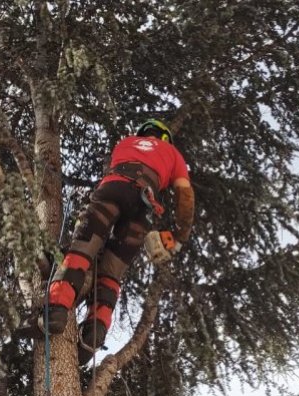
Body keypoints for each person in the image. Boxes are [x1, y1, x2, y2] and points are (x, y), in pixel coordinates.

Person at [23, 119, 195, 365]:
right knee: (112, 272)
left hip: (114, 187)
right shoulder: (172, 153)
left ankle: (55, 313)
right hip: (144, 206)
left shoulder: (124, 143)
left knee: (83, 248)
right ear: (165, 137)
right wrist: (178, 238)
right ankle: (94, 335)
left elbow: (115, 171)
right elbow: (185, 195)